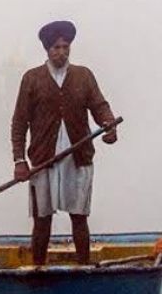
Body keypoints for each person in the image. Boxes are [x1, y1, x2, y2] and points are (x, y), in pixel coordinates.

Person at [11, 20, 117, 265]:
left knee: (79, 217)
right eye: (56, 47)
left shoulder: (83, 75)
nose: (61, 52)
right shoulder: (32, 79)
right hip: (43, 159)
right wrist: (19, 161)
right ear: (47, 50)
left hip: (78, 157)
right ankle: (38, 269)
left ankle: (84, 268)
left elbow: (100, 106)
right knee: (42, 220)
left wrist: (109, 125)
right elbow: (19, 123)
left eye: (65, 47)